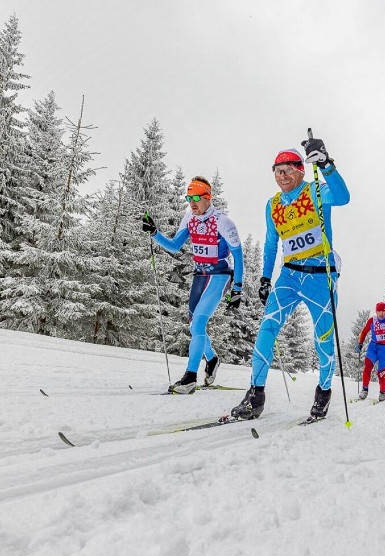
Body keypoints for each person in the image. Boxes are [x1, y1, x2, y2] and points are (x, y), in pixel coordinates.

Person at [231, 136, 350, 420]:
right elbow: (271, 243)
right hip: (289, 275)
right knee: (267, 328)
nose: (282, 176)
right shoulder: (272, 204)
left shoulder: (316, 191)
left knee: (323, 338)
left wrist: (327, 164)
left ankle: (323, 393)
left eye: (288, 170)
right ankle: (255, 395)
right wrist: (263, 278)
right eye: (277, 171)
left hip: (321, 276)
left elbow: (344, 197)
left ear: (301, 170)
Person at [142, 176, 244, 394]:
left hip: (219, 275)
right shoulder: (189, 218)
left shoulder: (223, 222)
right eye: (189, 198)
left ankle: (190, 378)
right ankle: (213, 359)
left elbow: (238, 255)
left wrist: (237, 287)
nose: (192, 202)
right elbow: (175, 245)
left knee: (198, 325)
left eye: (197, 197)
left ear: (208, 198)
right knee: (193, 325)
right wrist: (154, 233)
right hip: (200, 276)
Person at [356, 301, 385, 402]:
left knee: (381, 373)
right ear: (376, 312)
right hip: (373, 347)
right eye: (379, 312)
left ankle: (382, 392)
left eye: (383, 312)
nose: (381, 314)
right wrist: (360, 343)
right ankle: (364, 390)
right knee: (367, 368)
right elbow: (364, 332)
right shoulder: (372, 321)